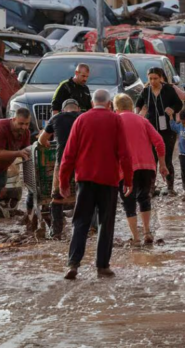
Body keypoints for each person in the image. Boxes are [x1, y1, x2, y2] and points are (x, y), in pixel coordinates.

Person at [60, 89, 132, 280]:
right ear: (109, 104)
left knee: (80, 222)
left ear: (92, 103)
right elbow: (124, 153)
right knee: (105, 223)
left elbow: (68, 154)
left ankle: (73, 264)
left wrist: (63, 181)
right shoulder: (116, 120)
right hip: (109, 181)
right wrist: (129, 180)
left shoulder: (81, 120)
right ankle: (102, 266)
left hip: (84, 180)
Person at [113, 94, 166, 244]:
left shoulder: (115, 122)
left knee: (128, 202)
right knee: (144, 198)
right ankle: (148, 232)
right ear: (131, 107)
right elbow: (160, 142)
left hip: (125, 169)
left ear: (116, 109)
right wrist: (162, 164)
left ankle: (136, 237)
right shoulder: (143, 121)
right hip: (147, 167)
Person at [38, 99, 81, 239]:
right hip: (83, 162)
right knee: (84, 194)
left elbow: (41, 140)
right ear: (78, 109)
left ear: (63, 110)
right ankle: (86, 228)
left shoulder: (55, 118)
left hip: (63, 161)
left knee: (57, 196)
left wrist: (47, 143)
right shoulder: (83, 117)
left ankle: (56, 232)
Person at [135, 67, 182, 195]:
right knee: (152, 159)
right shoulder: (146, 91)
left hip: (168, 129)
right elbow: (138, 104)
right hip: (151, 129)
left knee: (167, 158)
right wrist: (138, 114)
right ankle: (151, 187)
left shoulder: (169, 90)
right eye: (150, 79)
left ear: (161, 78)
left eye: (155, 78)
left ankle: (170, 187)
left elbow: (179, 104)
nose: (153, 81)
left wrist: (172, 109)